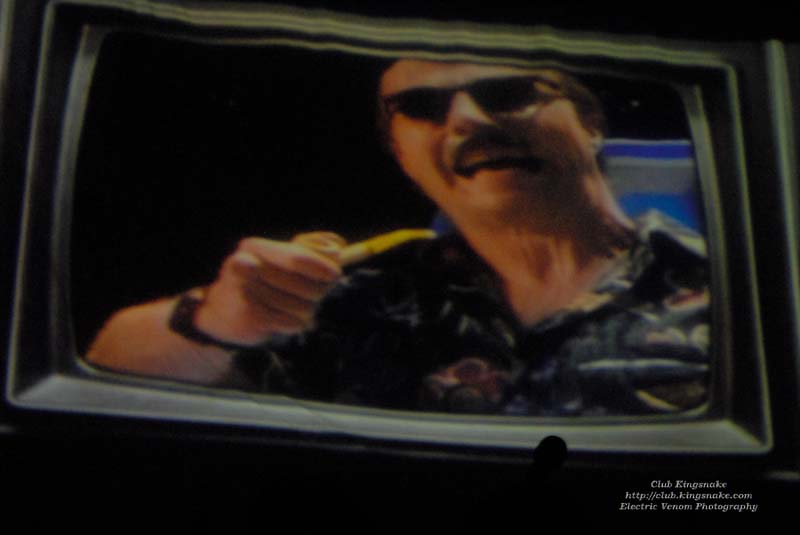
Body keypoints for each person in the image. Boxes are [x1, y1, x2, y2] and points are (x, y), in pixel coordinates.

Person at [87, 59, 710, 415]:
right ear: (401, 155)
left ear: (591, 123)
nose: (468, 119)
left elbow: (740, 495)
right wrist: (216, 320)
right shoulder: (356, 294)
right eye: (423, 107)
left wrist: (639, 498)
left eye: (506, 94)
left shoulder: (736, 290)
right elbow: (108, 375)